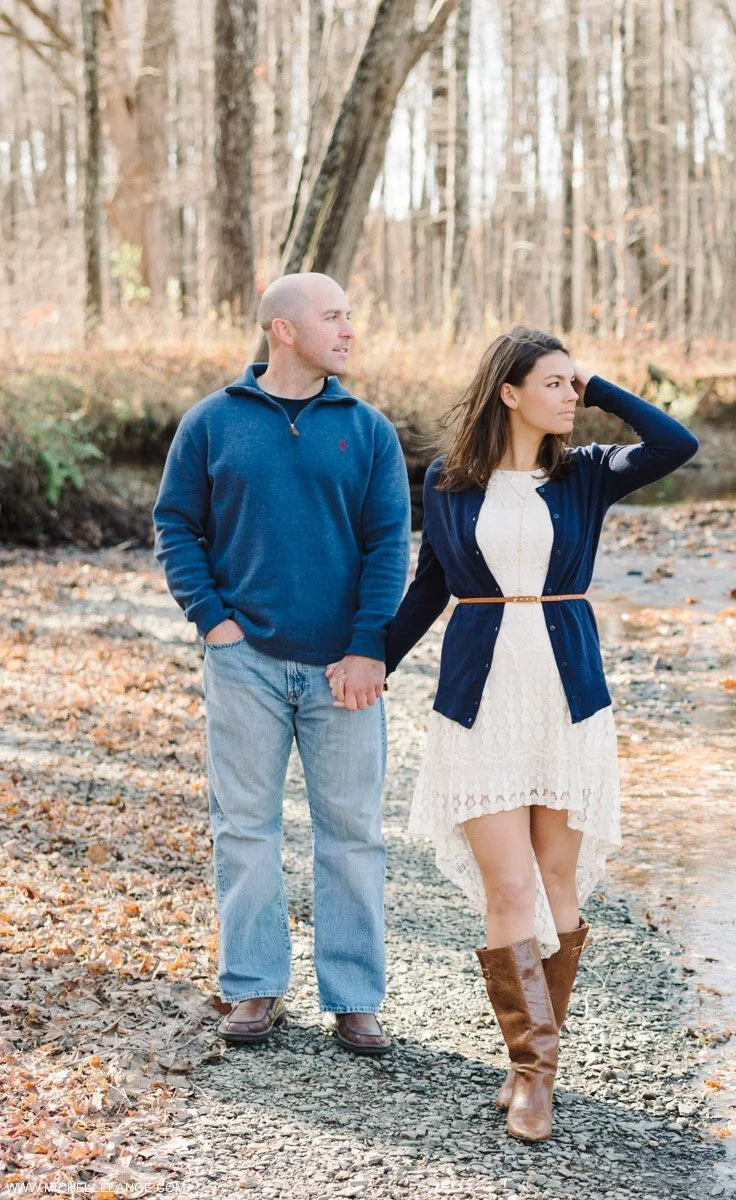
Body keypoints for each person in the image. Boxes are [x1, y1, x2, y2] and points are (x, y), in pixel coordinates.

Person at [369, 327, 697, 1142]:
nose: (570, 397)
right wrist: (371, 660)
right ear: (508, 394)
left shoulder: (587, 473)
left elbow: (675, 444)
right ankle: (529, 1071)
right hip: (480, 704)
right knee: (510, 888)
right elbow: (430, 589)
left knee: (556, 881)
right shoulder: (448, 482)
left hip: (565, 702)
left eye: (572, 384)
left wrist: (598, 385)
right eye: (554, 383)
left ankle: (533, 1073)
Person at [153, 272, 410, 1055]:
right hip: (245, 664)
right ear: (284, 330)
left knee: (352, 833)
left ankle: (355, 997)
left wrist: (368, 646)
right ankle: (253, 985)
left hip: (344, 672)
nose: (350, 330)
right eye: (334, 317)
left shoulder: (368, 430)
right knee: (244, 830)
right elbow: (175, 525)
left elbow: (389, 545)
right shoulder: (212, 422)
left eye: (350, 316)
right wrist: (214, 622)